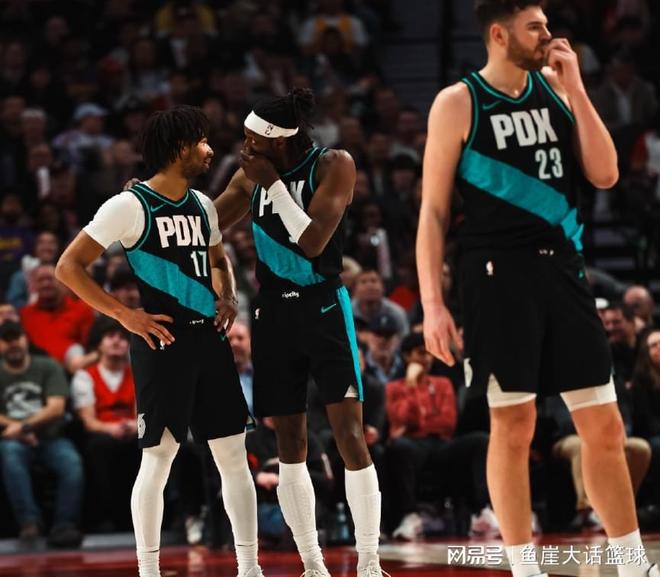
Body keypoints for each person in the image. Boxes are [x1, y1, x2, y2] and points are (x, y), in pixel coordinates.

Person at [416, 2, 658, 577]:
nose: (549, 34)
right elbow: (433, 211)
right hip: (496, 275)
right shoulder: (459, 101)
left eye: (547, 24)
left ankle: (631, 562)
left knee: (605, 425)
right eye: (536, 27)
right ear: (500, 35)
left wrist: (576, 87)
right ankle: (523, 567)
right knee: (513, 425)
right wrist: (432, 304)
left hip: (564, 269)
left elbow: (605, 174)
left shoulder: (556, 87)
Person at [55, 106, 263, 577]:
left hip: (210, 341)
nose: (210, 150)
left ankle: (250, 567)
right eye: (202, 141)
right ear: (179, 148)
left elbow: (219, 260)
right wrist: (123, 314)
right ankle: (148, 570)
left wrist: (228, 296)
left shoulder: (203, 205)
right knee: (159, 458)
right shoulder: (128, 206)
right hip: (162, 342)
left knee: (234, 458)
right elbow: (68, 267)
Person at [213, 88, 386, 577]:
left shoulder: (334, 165)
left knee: (349, 434)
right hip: (273, 312)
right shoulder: (249, 175)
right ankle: (312, 562)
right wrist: (157, 204)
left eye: (252, 139)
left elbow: (313, 241)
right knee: (289, 441)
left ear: (278, 141)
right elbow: (206, 222)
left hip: (324, 304)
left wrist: (272, 185)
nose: (244, 148)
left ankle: (369, 560)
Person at [0, 319, 84, 547]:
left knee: (71, 463)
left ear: (26, 339)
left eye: (16, 338)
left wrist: (24, 426)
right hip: (11, 439)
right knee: (10, 456)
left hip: (50, 436)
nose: (13, 344)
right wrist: (18, 430)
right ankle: (29, 522)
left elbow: (56, 407)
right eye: (6, 340)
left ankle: (65, 525)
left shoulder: (47, 366)